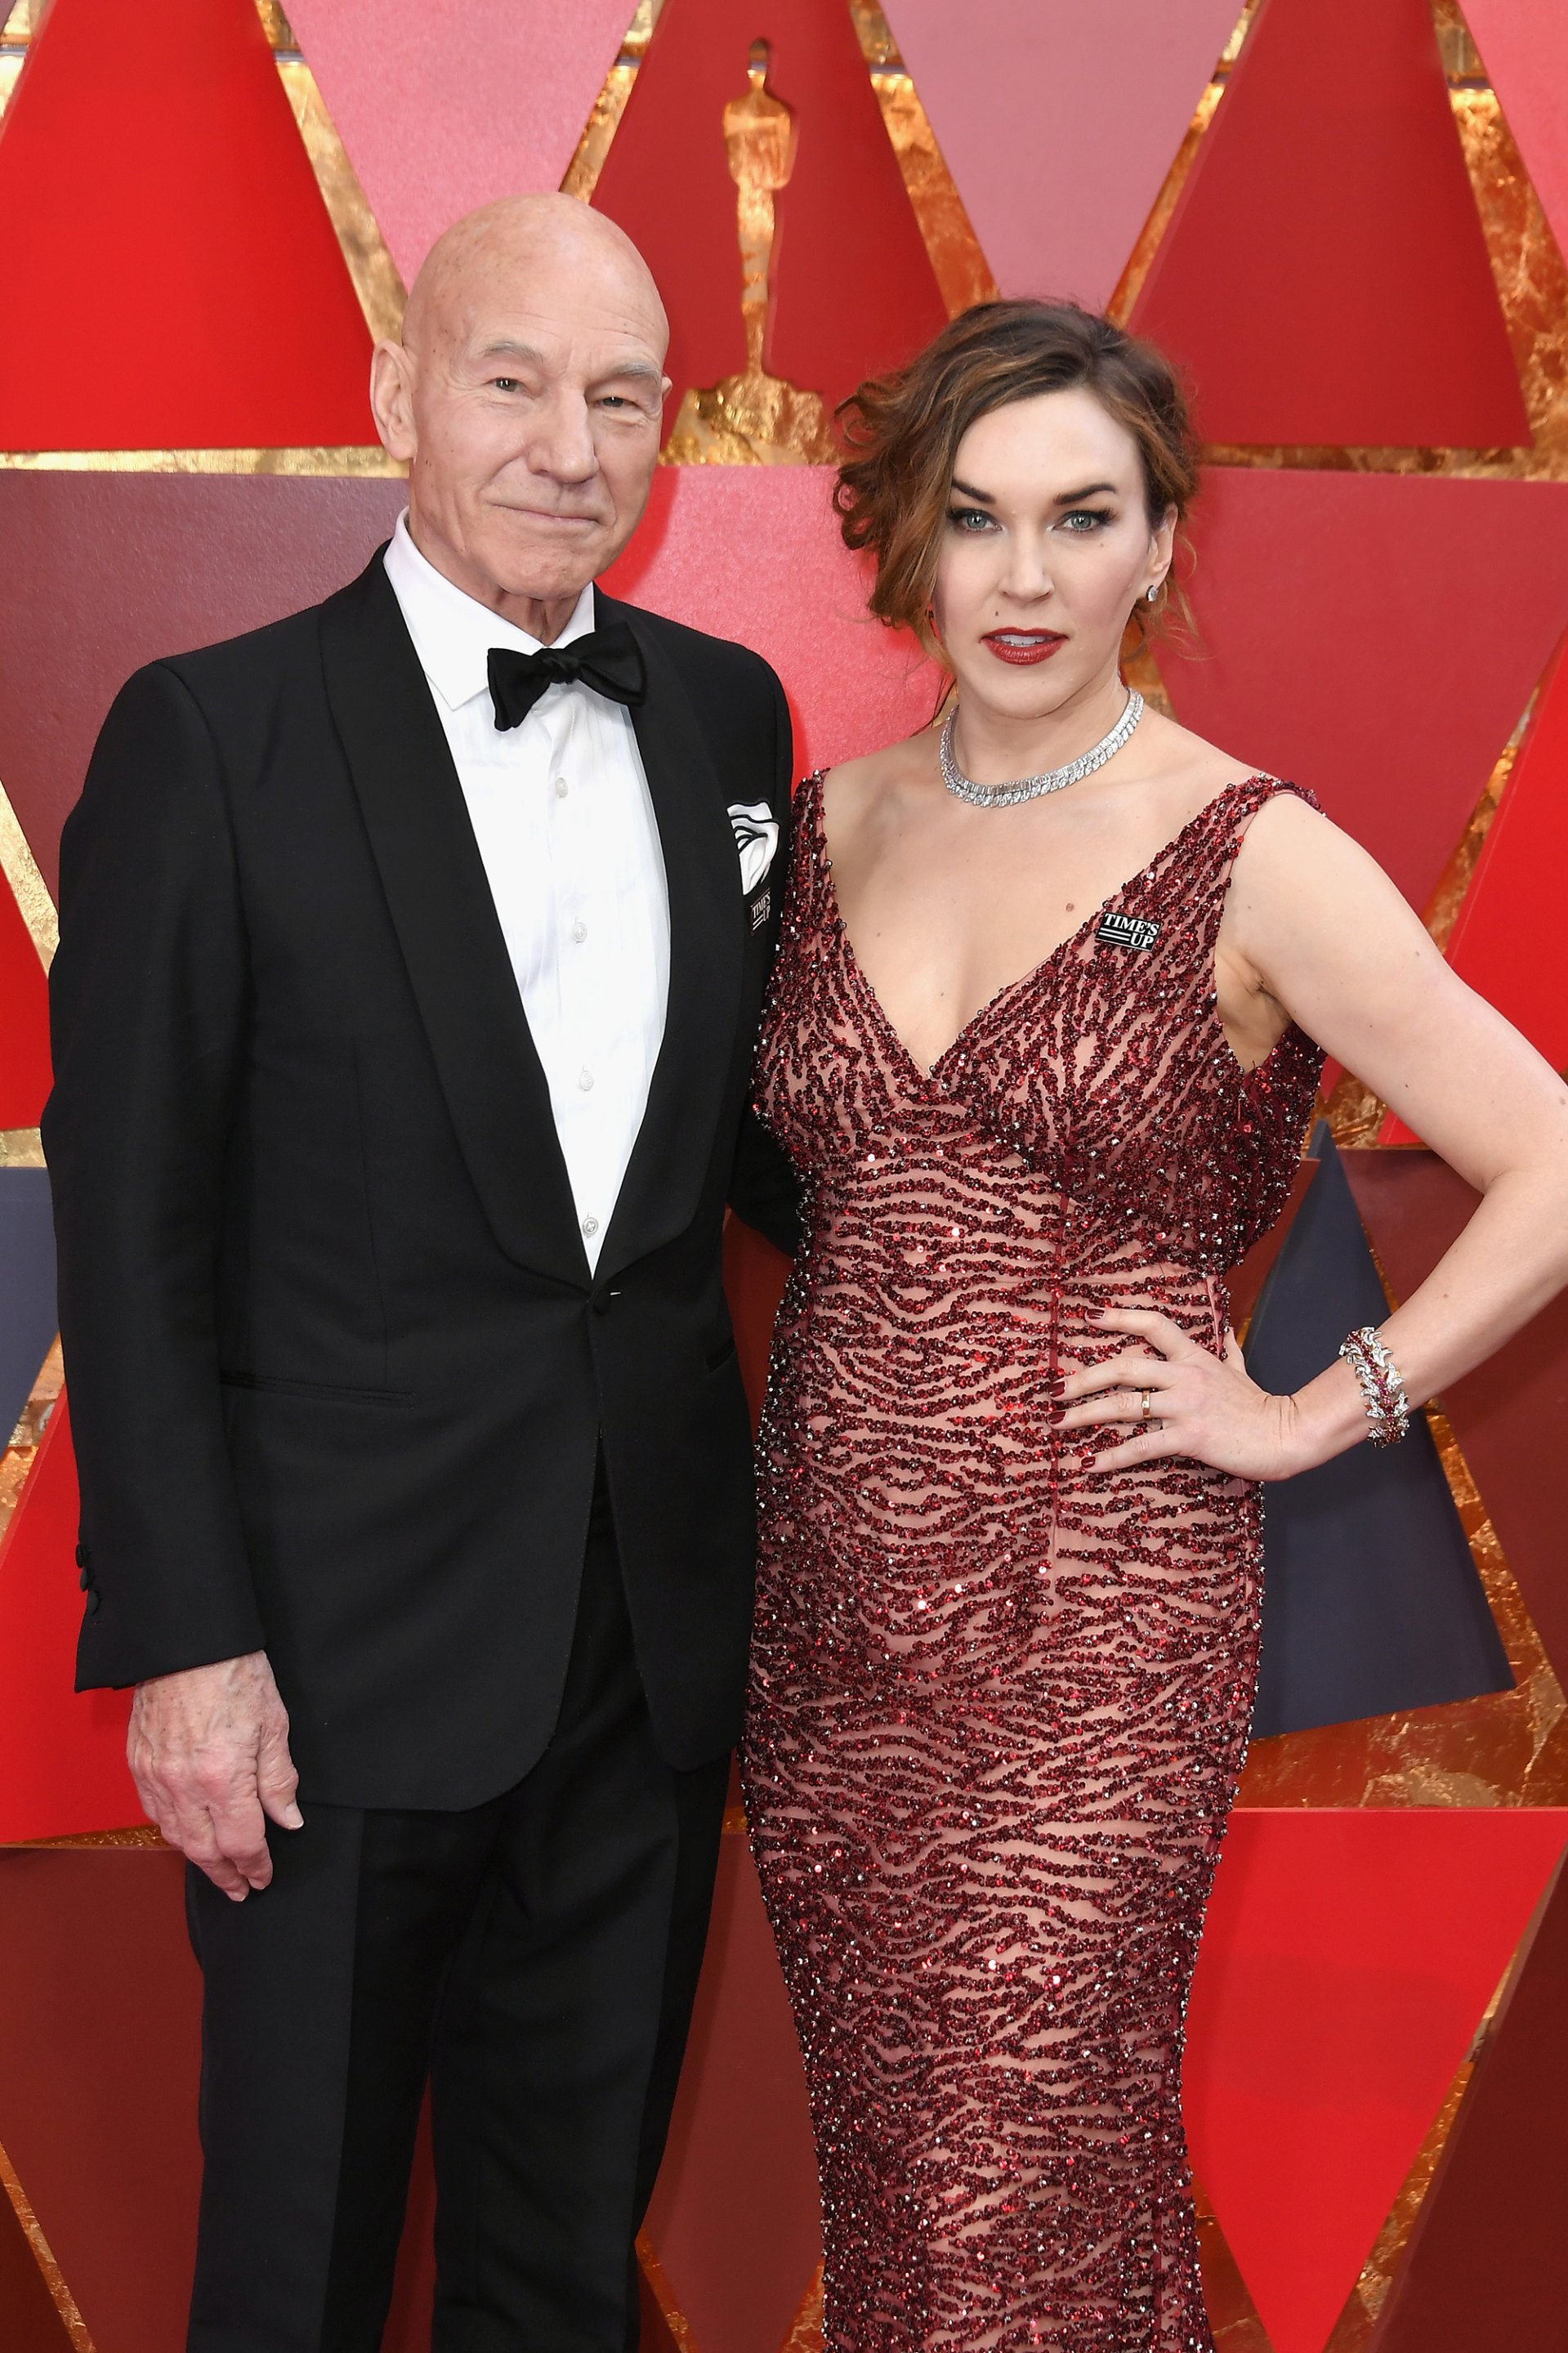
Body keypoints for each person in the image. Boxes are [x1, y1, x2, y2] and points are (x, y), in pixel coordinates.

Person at [741, 299, 1568, 2351]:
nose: (1024, 577)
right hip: (828, 1630)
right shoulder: (809, 831)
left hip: (1099, 1625)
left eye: (1082, 516)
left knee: (1006, 2187)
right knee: (921, 2209)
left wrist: (1314, 1409)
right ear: (908, 539)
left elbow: (1551, 1158)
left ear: (1162, 541)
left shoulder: (1251, 851)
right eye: (976, 517)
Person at [44, 192, 797, 2352]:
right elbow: (133, 1221)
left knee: (561, 2278)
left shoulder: (725, 720)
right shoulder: (213, 737)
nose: (571, 446)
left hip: (644, 1654)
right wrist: (188, 1647)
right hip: (328, 1670)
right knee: (294, 2276)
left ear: (672, 429)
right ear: (397, 391)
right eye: (512, 380)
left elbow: (750, 1145)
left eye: (622, 398)